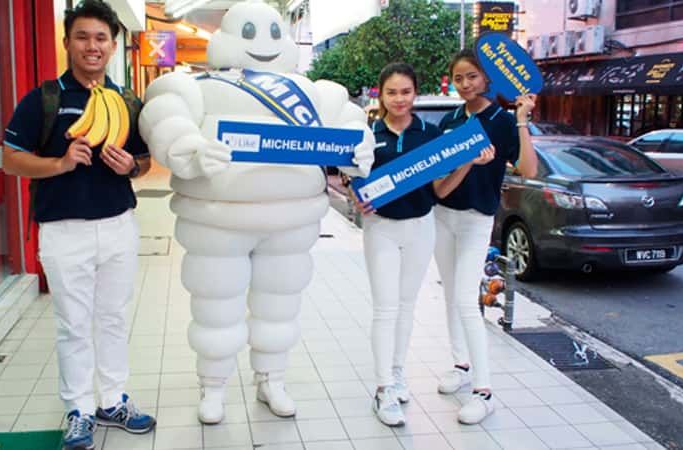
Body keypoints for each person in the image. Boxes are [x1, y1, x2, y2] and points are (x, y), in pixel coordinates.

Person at [138, 0, 374, 425]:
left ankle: (272, 379)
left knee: (279, 305)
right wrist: (187, 146)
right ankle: (213, 386)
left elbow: (348, 122)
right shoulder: (198, 85)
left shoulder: (312, 91)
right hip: (216, 222)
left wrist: (359, 147)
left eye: (271, 32)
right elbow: (164, 114)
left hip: (290, 223)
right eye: (248, 32)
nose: (262, 42)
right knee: (215, 305)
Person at [1, 1, 155, 448]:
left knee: (112, 317)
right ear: (67, 42)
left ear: (113, 45)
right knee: (73, 323)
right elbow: (11, 160)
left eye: (101, 38)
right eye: (83, 37)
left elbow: (145, 161)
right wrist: (60, 163)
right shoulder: (44, 99)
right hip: (63, 229)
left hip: (118, 225)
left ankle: (112, 400)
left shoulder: (127, 102)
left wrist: (132, 166)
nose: (93, 46)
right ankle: (79, 409)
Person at [350, 62, 494, 427]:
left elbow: (440, 190)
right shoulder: (368, 134)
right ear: (380, 95)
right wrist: (355, 197)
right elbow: (352, 178)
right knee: (385, 309)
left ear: (415, 93)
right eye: (391, 92)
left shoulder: (430, 135)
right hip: (381, 229)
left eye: (406, 92)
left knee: (406, 306)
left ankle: (398, 373)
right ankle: (383, 388)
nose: (399, 99)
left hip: (421, 228)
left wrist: (466, 164)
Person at [433, 49, 538, 425]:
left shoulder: (501, 120)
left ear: (487, 79)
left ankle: (484, 392)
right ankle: (460, 365)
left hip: (477, 220)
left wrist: (522, 120)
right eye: (458, 78)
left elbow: (527, 169)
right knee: (450, 295)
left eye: (472, 77)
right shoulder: (449, 120)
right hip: (442, 218)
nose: (465, 84)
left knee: (465, 300)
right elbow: (438, 178)